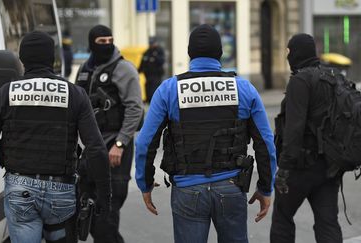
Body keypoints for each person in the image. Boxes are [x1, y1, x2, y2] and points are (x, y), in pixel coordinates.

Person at [135, 24, 276, 243]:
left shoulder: (169, 89)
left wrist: (145, 183)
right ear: (220, 53)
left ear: (190, 54)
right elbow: (266, 143)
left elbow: (145, 142)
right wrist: (265, 187)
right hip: (231, 187)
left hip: (187, 189)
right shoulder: (244, 88)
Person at [0, 31, 111, 243]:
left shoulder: (5, 94)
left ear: (22, 59)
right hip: (61, 191)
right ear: (52, 58)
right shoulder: (74, 94)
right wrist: (103, 194)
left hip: (20, 190)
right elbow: (97, 149)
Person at [270, 33, 343, 243]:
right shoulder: (333, 77)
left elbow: (294, 130)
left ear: (297, 53)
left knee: (283, 218)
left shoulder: (300, 81)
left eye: (289, 51)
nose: (287, 56)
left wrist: (284, 169)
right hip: (329, 166)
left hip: (301, 167)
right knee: (327, 221)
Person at [76, 25, 144, 243]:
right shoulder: (84, 70)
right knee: (90, 216)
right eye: (101, 42)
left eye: (109, 41)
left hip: (115, 150)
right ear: (91, 43)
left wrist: (121, 144)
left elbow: (135, 110)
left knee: (106, 215)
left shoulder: (124, 69)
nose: (106, 45)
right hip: (90, 150)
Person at [138, 36, 165, 103]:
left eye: (152, 43)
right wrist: (137, 71)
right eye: (150, 43)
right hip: (148, 75)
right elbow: (142, 63)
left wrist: (155, 57)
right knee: (148, 89)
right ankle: (148, 101)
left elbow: (161, 61)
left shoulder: (159, 51)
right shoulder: (146, 52)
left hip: (156, 75)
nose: (151, 45)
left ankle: (156, 102)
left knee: (155, 90)